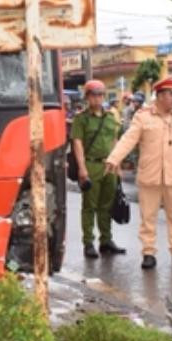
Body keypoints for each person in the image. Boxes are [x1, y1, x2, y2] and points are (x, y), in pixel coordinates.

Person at [105, 76, 172, 269]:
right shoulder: (143, 116)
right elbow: (128, 139)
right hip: (149, 175)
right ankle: (148, 253)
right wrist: (114, 158)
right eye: (171, 95)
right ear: (159, 96)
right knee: (148, 217)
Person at [71, 80, 125, 260]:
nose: (98, 98)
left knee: (107, 205)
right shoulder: (81, 119)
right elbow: (77, 143)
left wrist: (118, 164)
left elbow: (115, 141)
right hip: (91, 164)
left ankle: (106, 240)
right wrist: (82, 168)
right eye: (94, 95)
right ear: (87, 97)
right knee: (89, 207)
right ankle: (88, 242)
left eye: (101, 95)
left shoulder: (111, 117)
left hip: (109, 165)